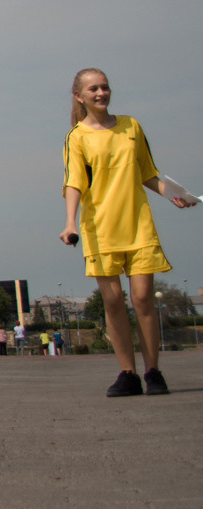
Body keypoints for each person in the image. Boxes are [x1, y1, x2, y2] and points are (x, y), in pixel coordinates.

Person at [59, 69, 196, 397]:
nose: (101, 93)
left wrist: (173, 195)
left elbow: (148, 173)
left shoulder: (131, 127)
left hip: (138, 224)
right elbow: (75, 182)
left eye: (104, 87)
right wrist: (70, 223)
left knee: (143, 298)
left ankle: (153, 371)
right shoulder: (77, 137)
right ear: (79, 96)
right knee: (114, 300)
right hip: (100, 229)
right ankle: (127, 373)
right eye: (93, 89)